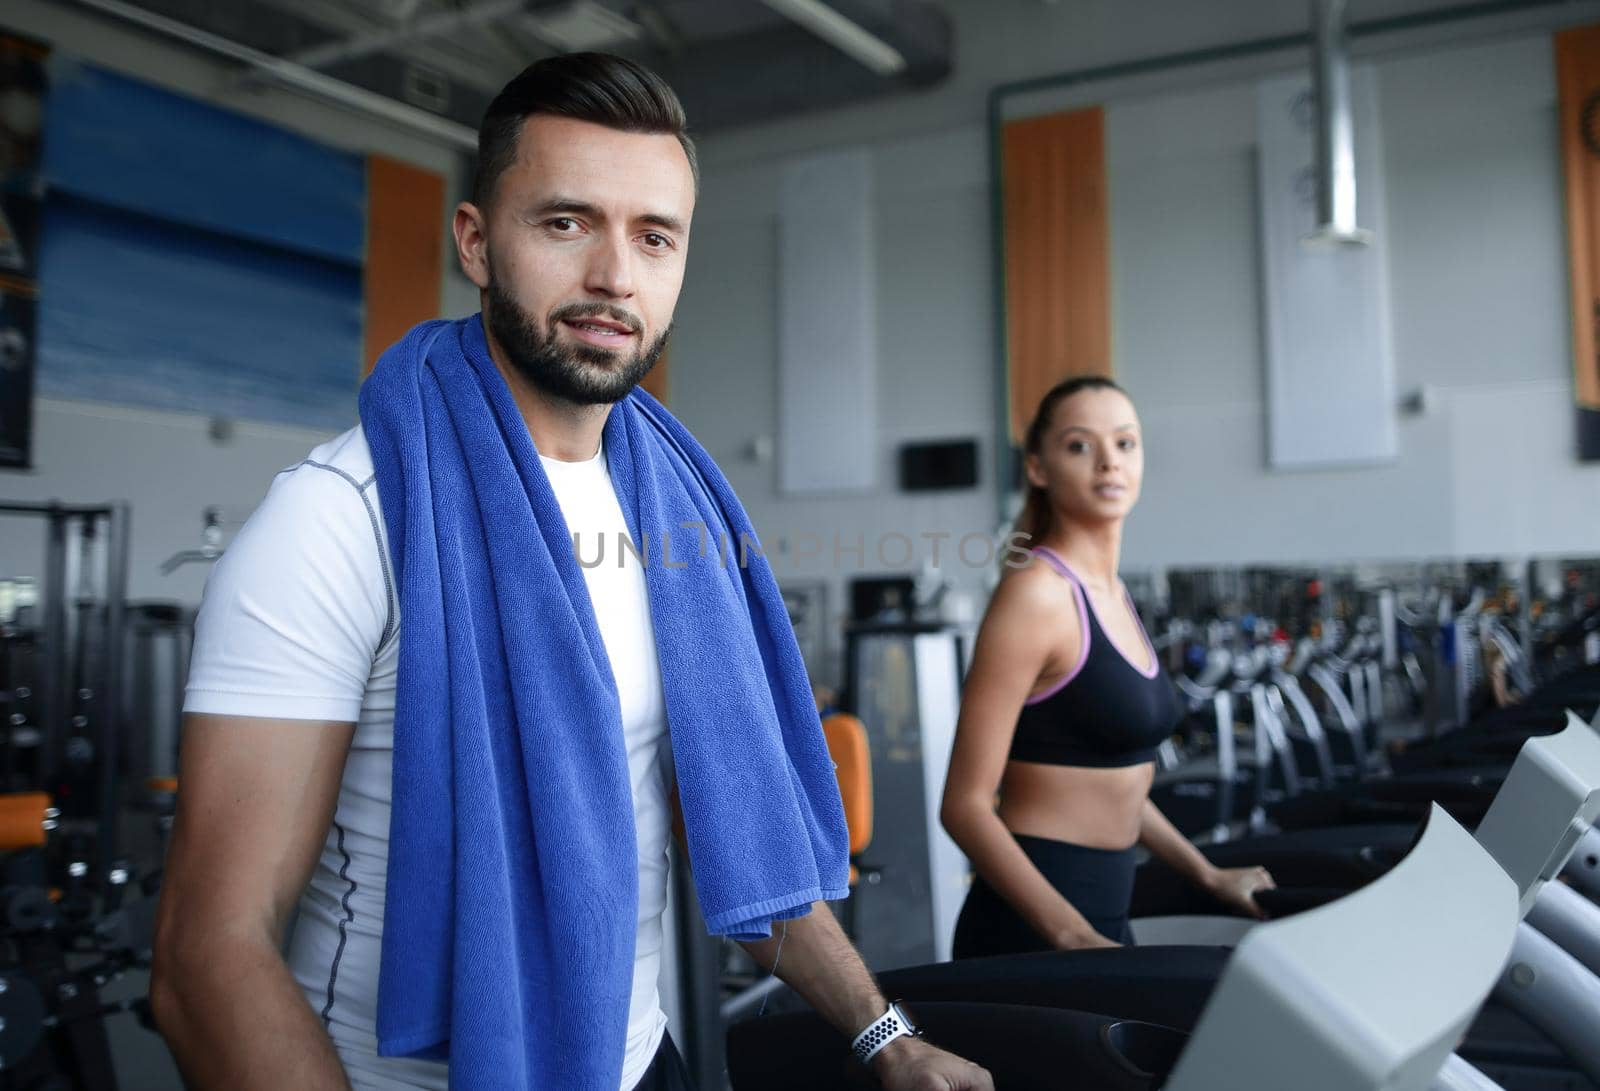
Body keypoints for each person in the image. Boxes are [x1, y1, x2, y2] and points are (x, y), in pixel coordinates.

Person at [149, 53, 992, 1091]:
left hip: (638, 1058)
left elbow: (734, 829)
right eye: (564, 222)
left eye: (653, 236)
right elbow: (205, 956)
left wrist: (885, 1038)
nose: (613, 275)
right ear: (476, 241)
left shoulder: (677, 507)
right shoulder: (339, 518)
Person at [941, 376, 1274, 956]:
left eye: (1125, 443)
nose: (1107, 464)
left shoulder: (1112, 593)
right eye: (1079, 446)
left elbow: (1118, 786)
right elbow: (965, 807)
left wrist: (1206, 874)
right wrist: (1071, 934)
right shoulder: (1037, 596)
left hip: (1103, 913)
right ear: (1039, 468)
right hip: (1036, 924)